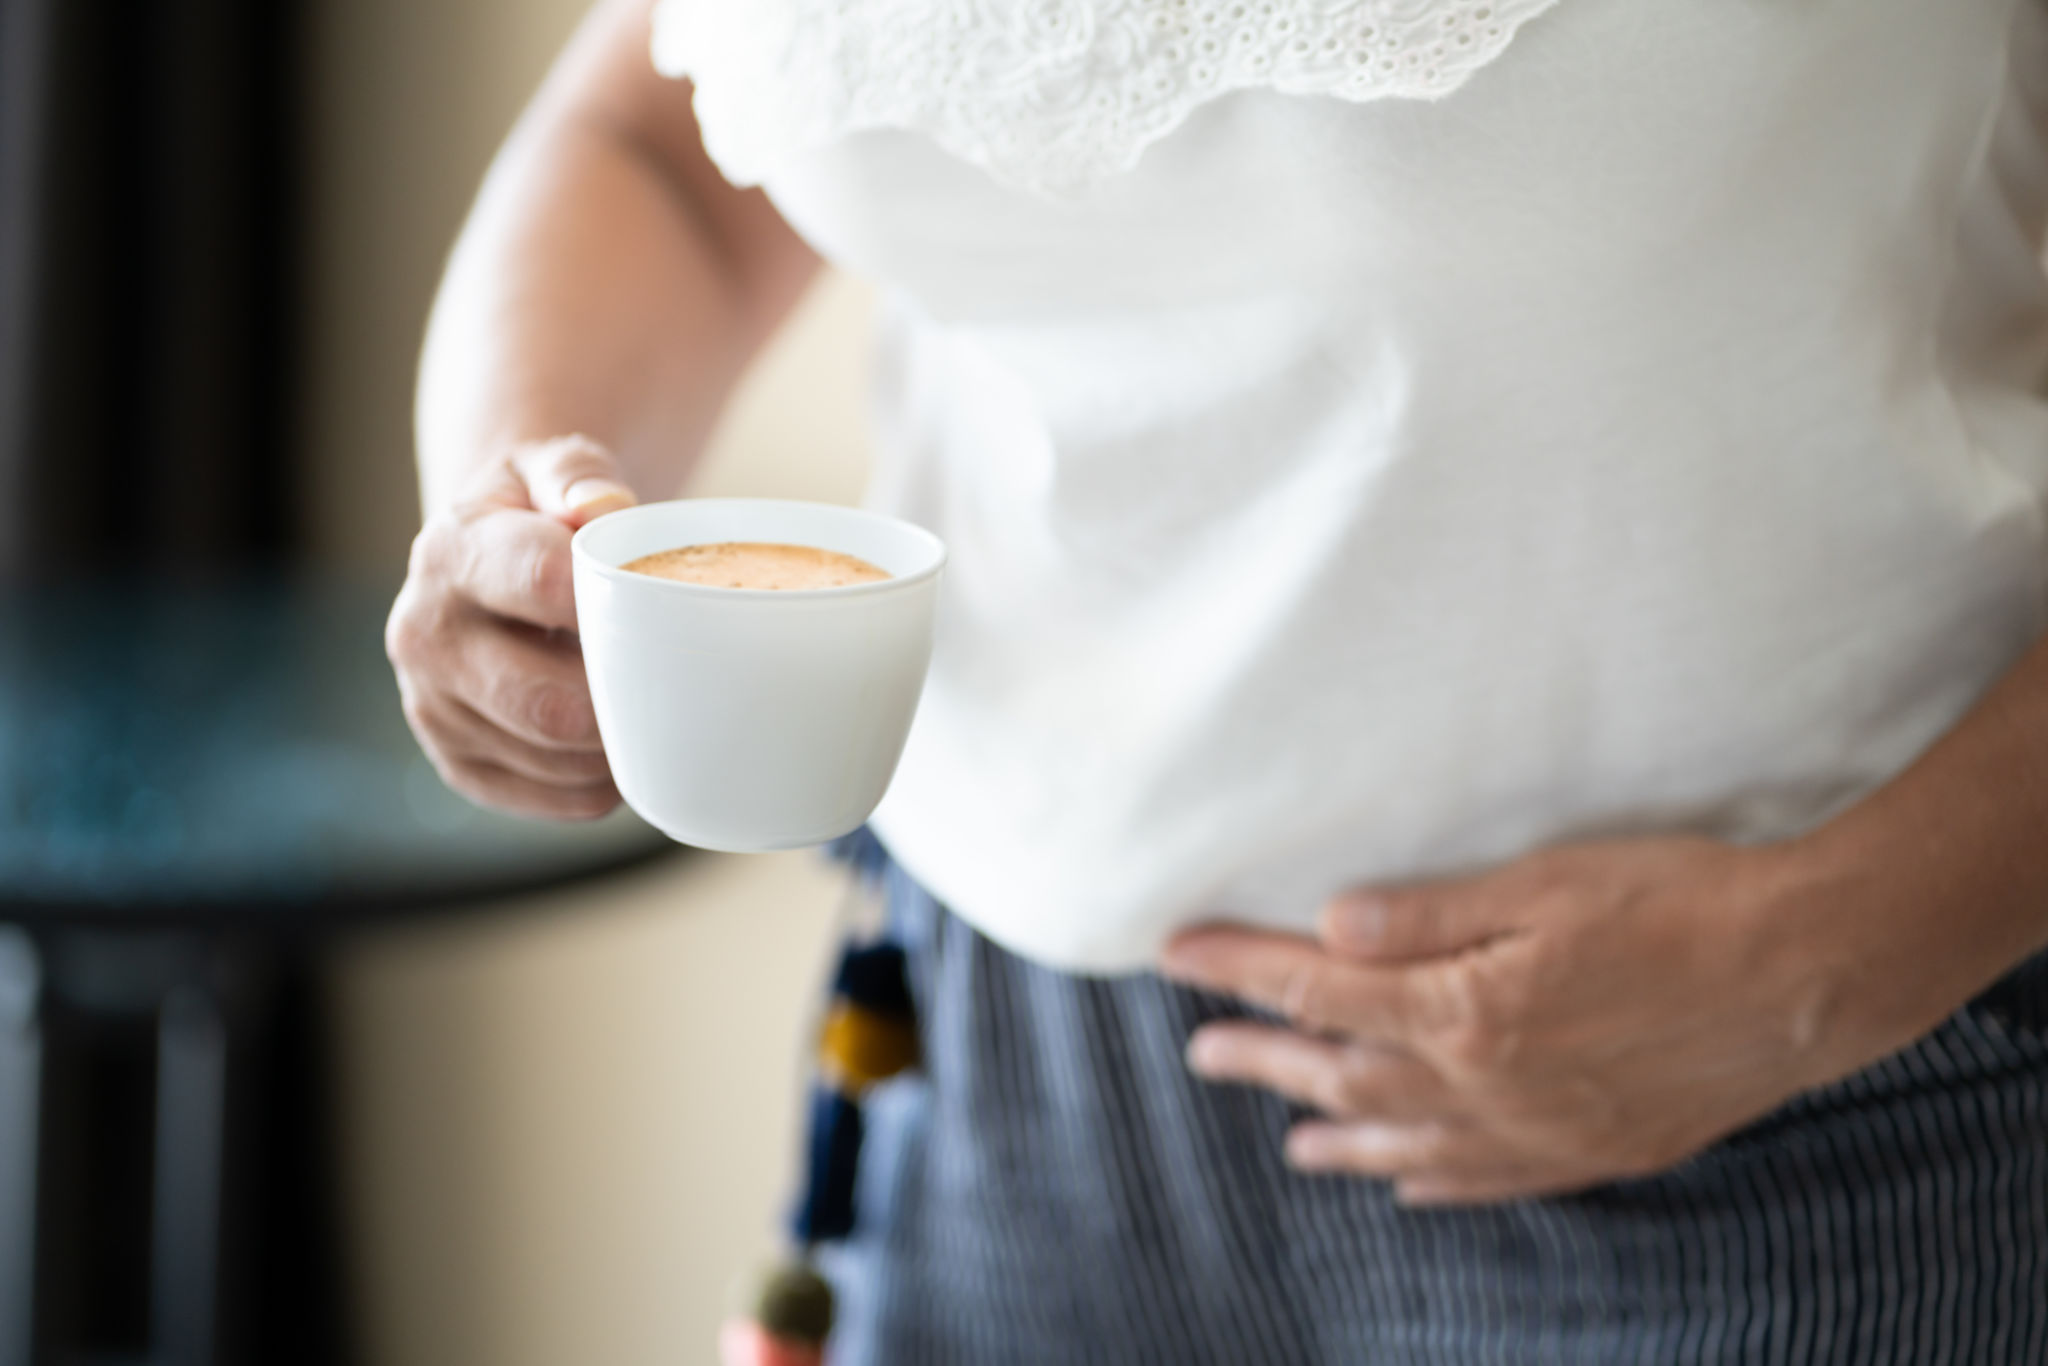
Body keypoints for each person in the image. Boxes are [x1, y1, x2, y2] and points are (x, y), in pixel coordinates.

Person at [385, 0, 2048, 1359]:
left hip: (1805, 1112)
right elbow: (665, 139)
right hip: (1003, 1073)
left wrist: (1835, 956)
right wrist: (511, 507)